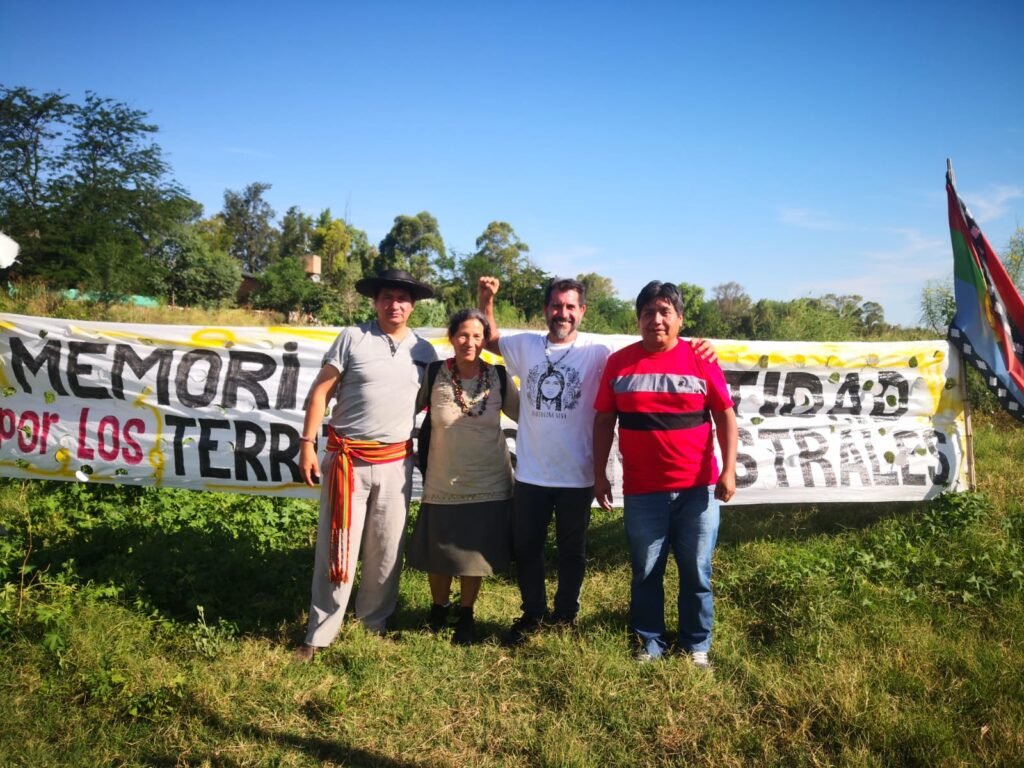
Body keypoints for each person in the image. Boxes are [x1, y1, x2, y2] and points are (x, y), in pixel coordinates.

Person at [478, 275, 715, 646]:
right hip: (530, 474)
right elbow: (489, 339)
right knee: (527, 547)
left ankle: (566, 615)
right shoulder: (524, 345)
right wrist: (486, 298)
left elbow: (655, 341)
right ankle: (534, 613)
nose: (563, 313)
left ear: (582, 311)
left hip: (577, 474)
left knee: (573, 551)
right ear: (546, 310)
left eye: (571, 306)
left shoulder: (600, 350)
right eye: (556, 305)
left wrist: (700, 347)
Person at [294, 269, 438, 662]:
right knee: (336, 547)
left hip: (395, 463)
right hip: (346, 463)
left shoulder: (423, 352)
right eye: (387, 297)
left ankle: (373, 623)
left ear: (413, 305)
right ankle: (320, 633)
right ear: (375, 301)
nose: (395, 305)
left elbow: (428, 404)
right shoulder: (352, 338)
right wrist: (307, 444)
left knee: (387, 548)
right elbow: (320, 392)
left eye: (403, 299)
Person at [593, 280, 737, 668]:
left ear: (679, 319)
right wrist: (599, 473)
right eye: (647, 313)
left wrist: (729, 470)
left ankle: (696, 645)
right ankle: (649, 643)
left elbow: (725, 415)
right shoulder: (619, 363)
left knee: (697, 572)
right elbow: (605, 420)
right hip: (643, 492)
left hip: (697, 490)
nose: (655, 320)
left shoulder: (701, 358)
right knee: (646, 571)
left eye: (664, 312)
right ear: (638, 319)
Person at [406, 308, 519, 645]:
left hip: (489, 481)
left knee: (474, 552)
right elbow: (401, 409)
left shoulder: (498, 377)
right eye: (463, 335)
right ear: (452, 337)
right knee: (439, 550)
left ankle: (466, 613)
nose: (470, 342)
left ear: (485, 340)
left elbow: (530, 416)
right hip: (442, 479)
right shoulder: (434, 374)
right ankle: (439, 609)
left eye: (477, 336)